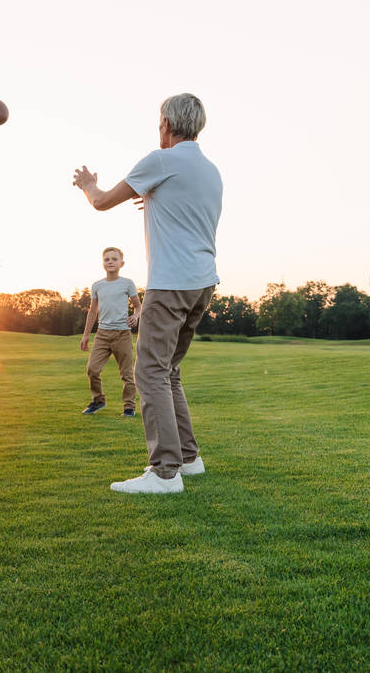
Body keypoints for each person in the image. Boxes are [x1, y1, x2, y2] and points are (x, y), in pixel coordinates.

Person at [72, 93, 222, 494]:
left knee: (149, 371)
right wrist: (156, 199)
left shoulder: (160, 161)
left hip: (171, 284)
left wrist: (88, 185)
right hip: (203, 284)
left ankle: (165, 472)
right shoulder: (209, 171)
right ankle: (189, 458)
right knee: (168, 370)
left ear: (167, 124)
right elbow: (181, 207)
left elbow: (102, 202)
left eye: (159, 122)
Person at [80, 247, 142, 418]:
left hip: (122, 334)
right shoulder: (97, 286)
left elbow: (138, 305)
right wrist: (86, 335)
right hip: (102, 335)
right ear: (103, 264)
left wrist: (136, 316)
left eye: (114, 259)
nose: (110, 262)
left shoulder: (127, 283)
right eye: (107, 259)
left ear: (122, 263)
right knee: (92, 369)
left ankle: (129, 407)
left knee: (127, 374)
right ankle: (98, 400)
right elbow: (92, 312)